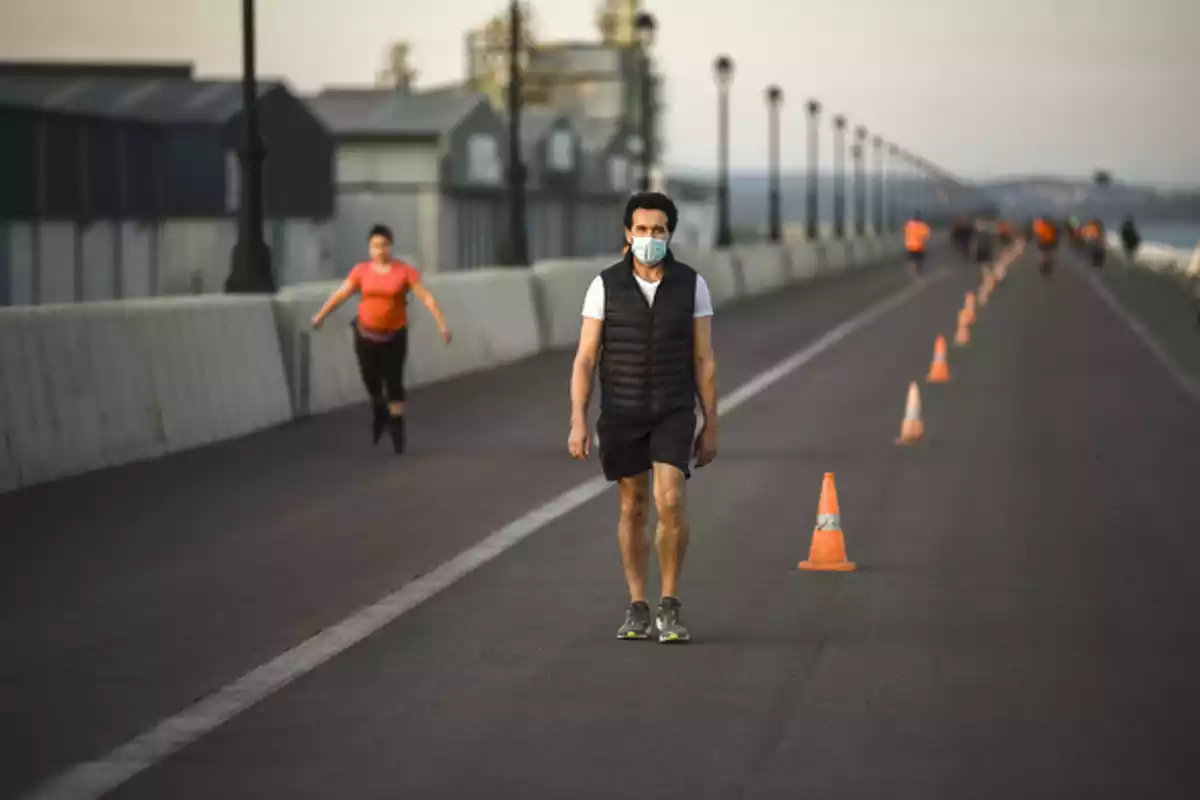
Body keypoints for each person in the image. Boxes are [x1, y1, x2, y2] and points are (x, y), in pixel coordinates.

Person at [568, 191, 718, 644]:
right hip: (622, 412)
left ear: (669, 235)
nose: (649, 237)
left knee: (670, 501)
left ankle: (669, 603)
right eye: (641, 229)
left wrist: (711, 423)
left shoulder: (692, 284)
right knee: (632, 506)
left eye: (658, 230)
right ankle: (637, 604)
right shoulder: (604, 285)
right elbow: (585, 357)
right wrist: (578, 417)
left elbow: (704, 358)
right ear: (628, 233)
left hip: (673, 409)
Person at [311, 224, 452, 454]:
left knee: (394, 381)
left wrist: (442, 324)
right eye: (375, 246)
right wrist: (321, 315)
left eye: (384, 245)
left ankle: (397, 429)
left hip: (394, 335)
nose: (380, 250)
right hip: (366, 335)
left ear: (390, 246)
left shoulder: (403, 271)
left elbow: (426, 297)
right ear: (369, 249)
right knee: (371, 379)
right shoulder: (361, 271)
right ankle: (380, 410)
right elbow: (341, 294)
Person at [904, 212, 932, 276]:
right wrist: (923, 241)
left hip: (910, 246)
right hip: (919, 246)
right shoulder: (922, 225)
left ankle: (912, 272)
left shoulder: (908, 224)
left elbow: (905, 232)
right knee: (920, 260)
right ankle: (917, 270)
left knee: (911, 260)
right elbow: (927, 235)